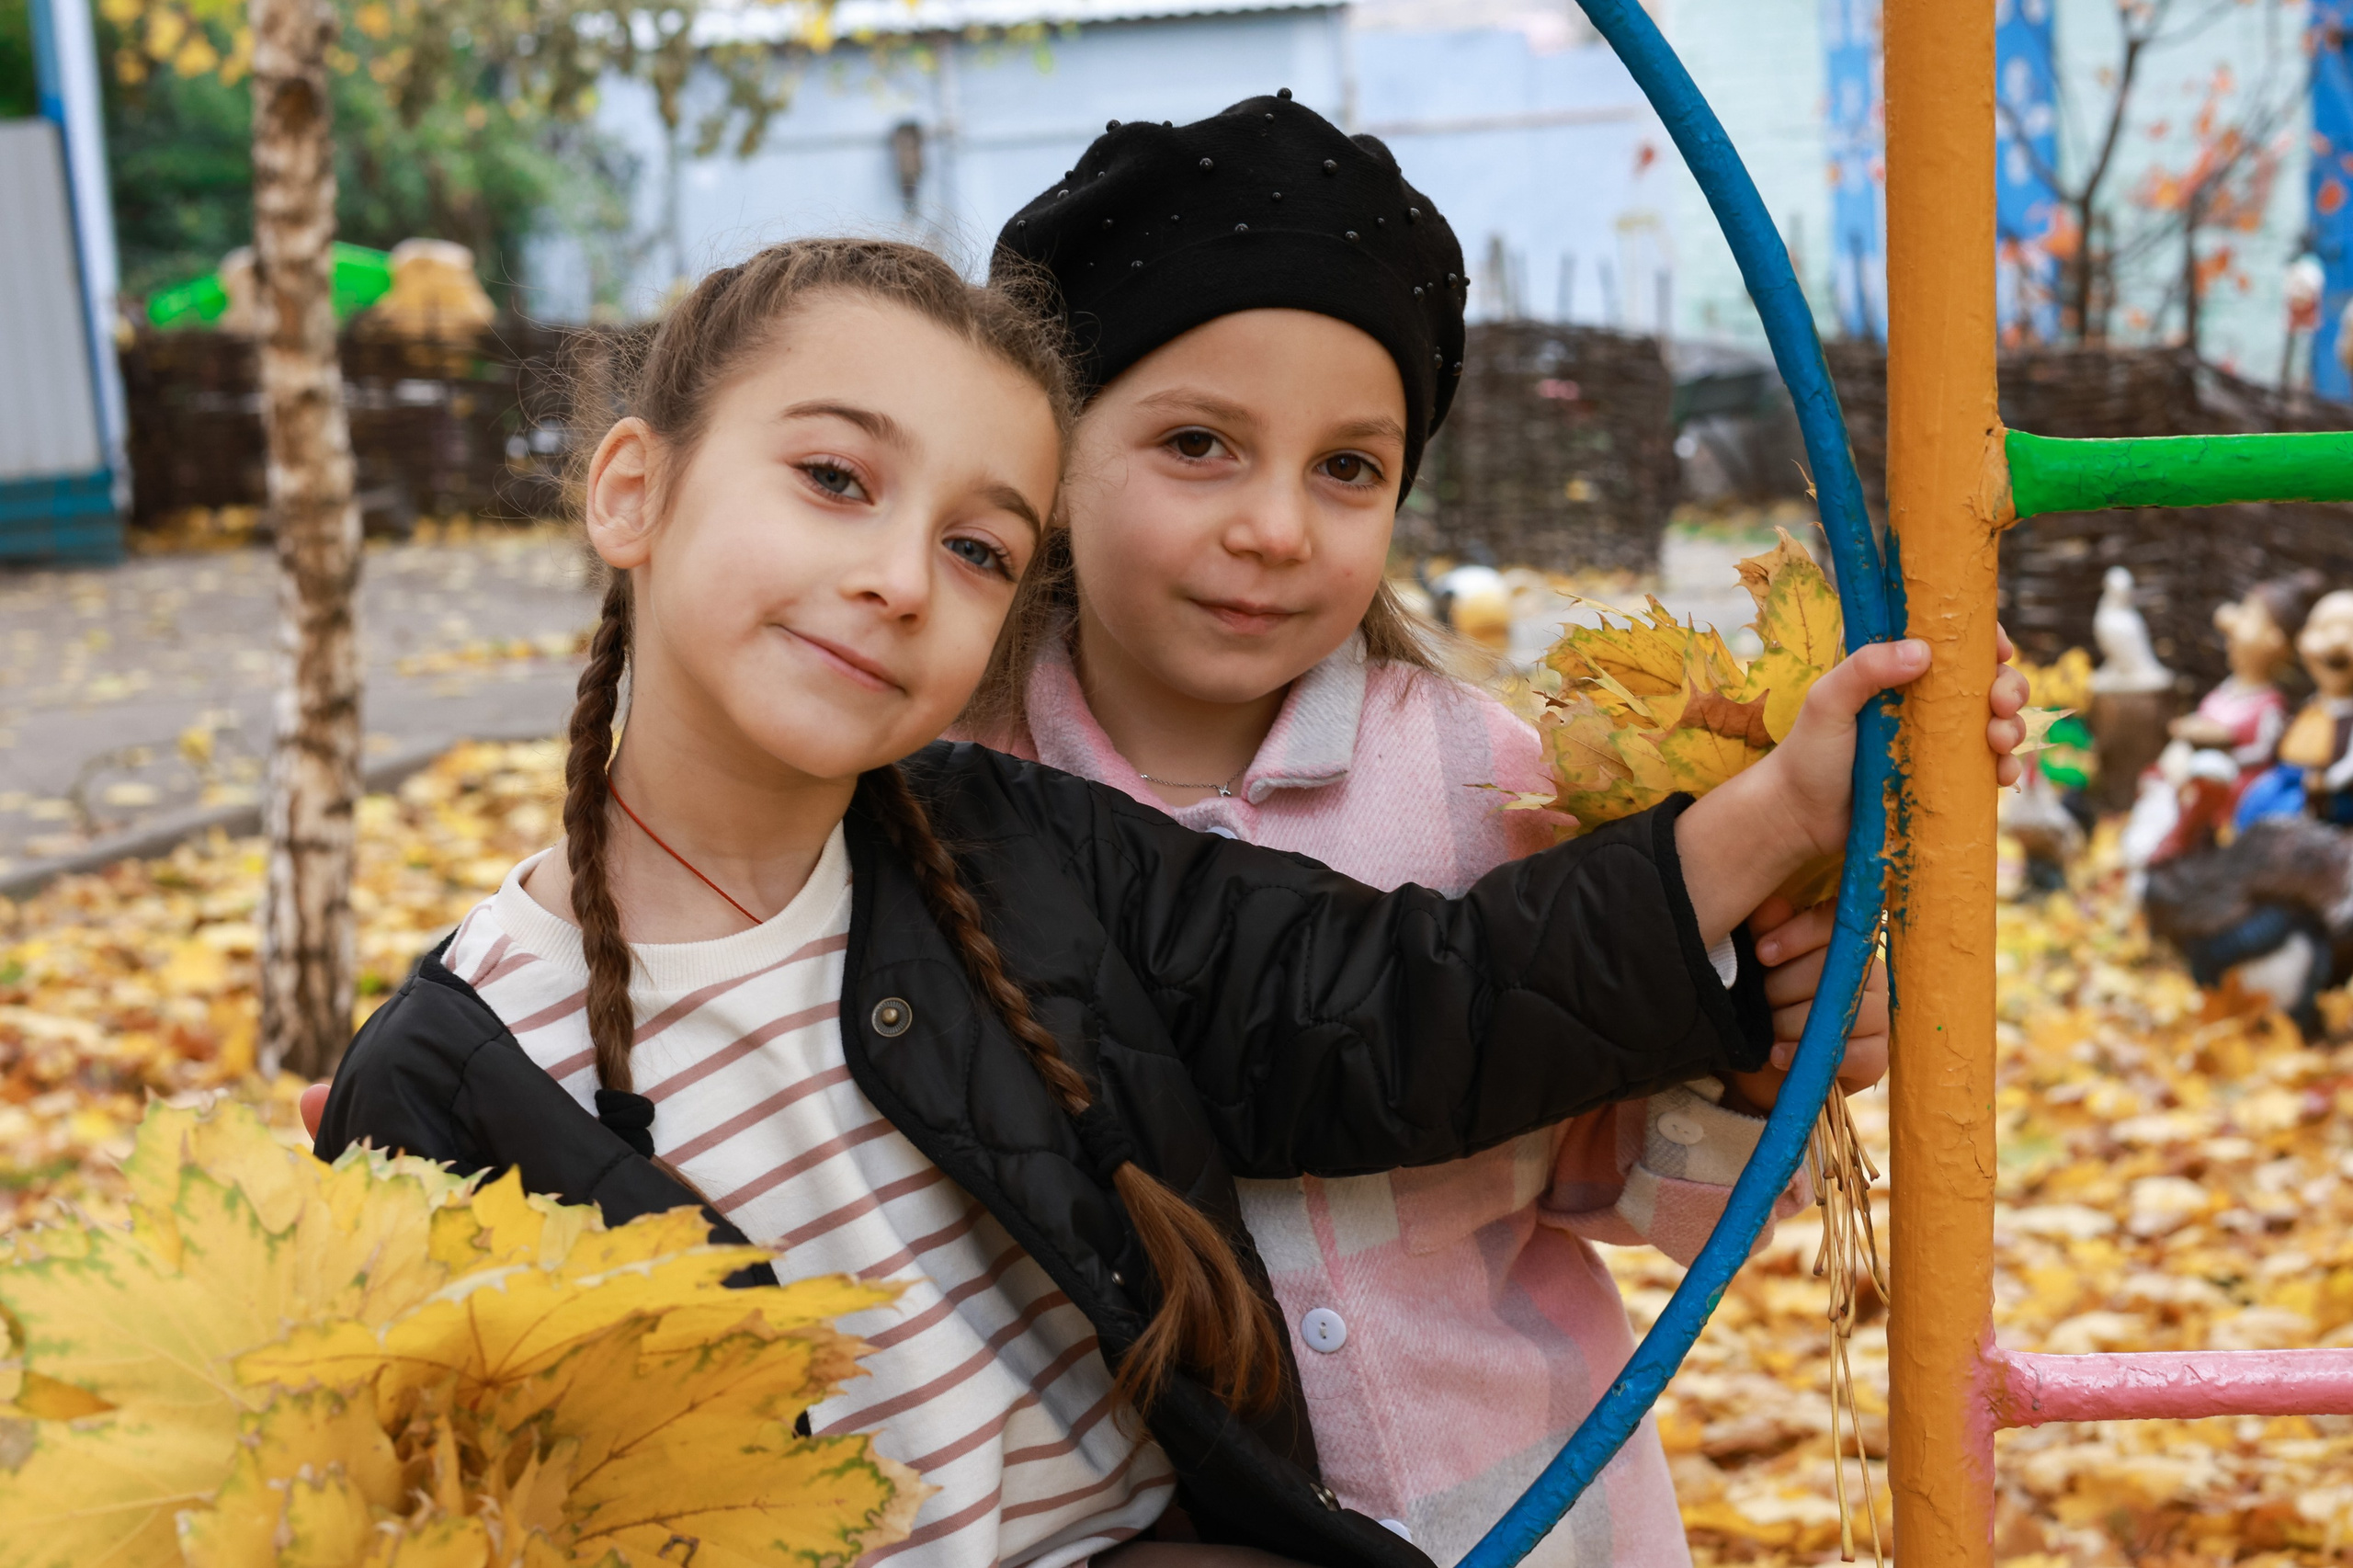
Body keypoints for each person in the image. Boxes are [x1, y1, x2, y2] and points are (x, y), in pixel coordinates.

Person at [313, 235, 2011, 1568]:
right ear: (635, 489)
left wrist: (1780, 809)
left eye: (981, 547)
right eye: (835, 478)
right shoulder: (451, 1081)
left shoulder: (1021, 856)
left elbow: (1408, 1000)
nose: (901, 575)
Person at [973, 97, 2031, 1562]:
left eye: (1348, 467)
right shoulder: (959, 799)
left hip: (1535, 1518)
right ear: (1051, 459)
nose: (1278, 525)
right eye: (1201, 443)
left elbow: (1624, 1171)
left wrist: (1765, 1059)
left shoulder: (1485, 778)